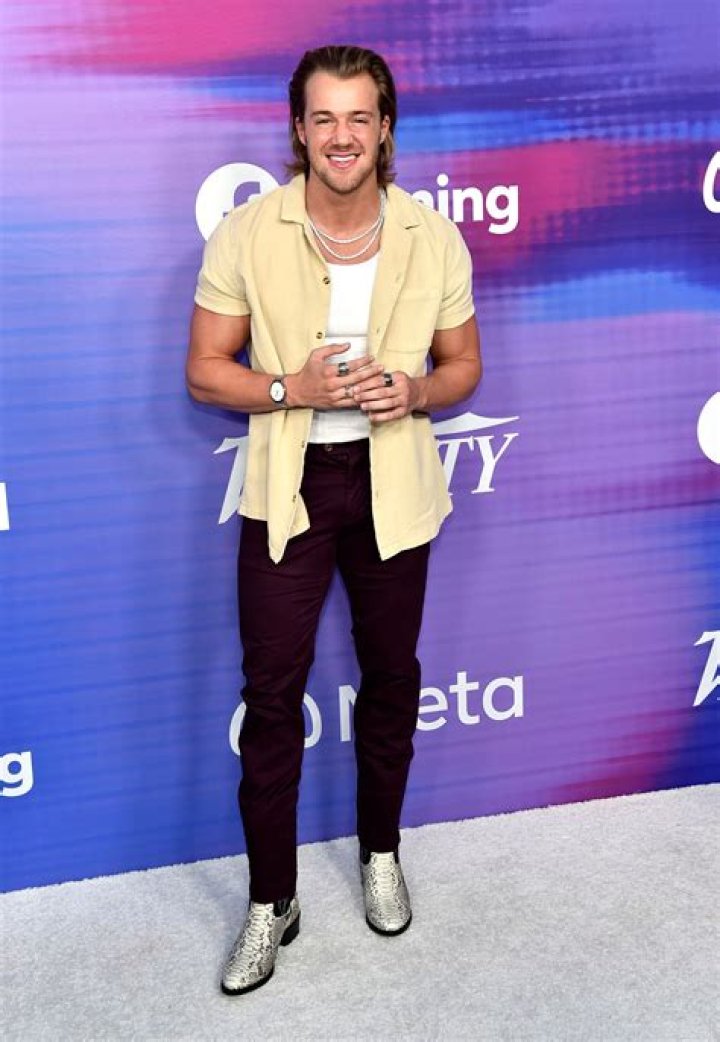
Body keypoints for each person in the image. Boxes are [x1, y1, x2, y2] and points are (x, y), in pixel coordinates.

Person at [186, 44, 482, 996]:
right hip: (292, 486)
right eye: (324, 118)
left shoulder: (433, 236)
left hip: (395, 482)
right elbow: (205, 371)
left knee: (392, 677)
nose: (342, 136)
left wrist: (418, 391)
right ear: (299, 131)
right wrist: (292, 388)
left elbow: (465, 367)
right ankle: (270, 900)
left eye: (360, 117)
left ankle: (380, 853)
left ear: (385, 129)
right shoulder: (247, 233)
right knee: (271, 694)